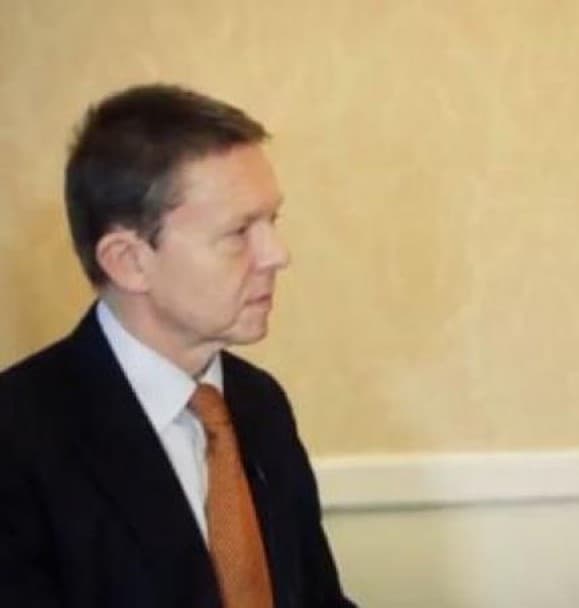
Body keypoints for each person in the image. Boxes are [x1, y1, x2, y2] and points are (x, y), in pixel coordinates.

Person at [0, 84, 356, 607]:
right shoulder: (17, 439)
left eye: (272, 222)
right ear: (129, 261)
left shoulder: (260, 403)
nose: (276, 254)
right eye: (239, 232)